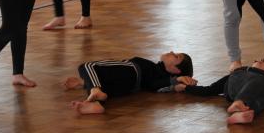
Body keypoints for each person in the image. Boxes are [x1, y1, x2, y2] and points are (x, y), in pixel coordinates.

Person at [63, 51, 196, 114]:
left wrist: (177, 81)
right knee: (103, 88)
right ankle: (96, 103)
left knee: (87, 66)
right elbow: (155, 85)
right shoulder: (160, 77)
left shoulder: (158, 73)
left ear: (176, 70)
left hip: (130, 69)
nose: (172, 52)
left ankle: (93, 88)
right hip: (128, 87)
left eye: (176, 56)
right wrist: (178, 83)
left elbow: (157, 84)